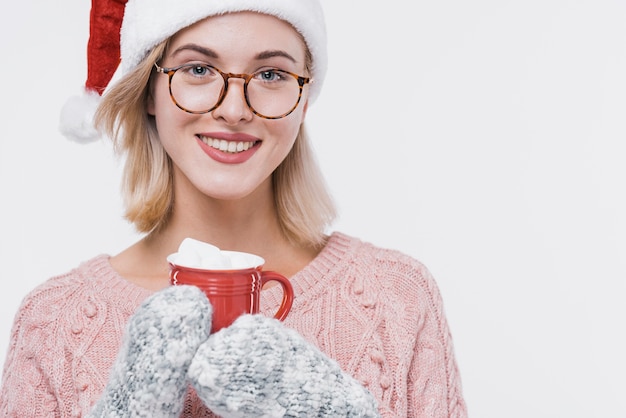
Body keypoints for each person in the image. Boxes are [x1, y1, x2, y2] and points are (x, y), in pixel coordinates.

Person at [0, 0, 468, 416]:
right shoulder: (56, 321)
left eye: (271, 75)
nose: (234, 109)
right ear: (148, 90)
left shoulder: (397, 298)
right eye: (199, 69)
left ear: (303, 100)